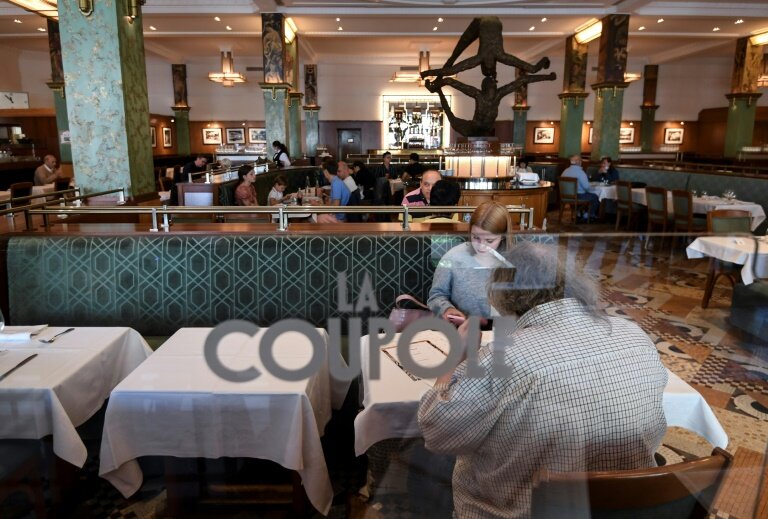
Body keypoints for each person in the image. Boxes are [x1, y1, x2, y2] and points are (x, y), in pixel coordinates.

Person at [418, 241, 668, 518]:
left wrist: (459, 357)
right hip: (628, 508)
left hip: (523, 511)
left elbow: (436, 431)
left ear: (505, 294)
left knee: (426, 466)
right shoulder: (635, 336)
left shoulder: (503, 357)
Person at [427, 201, 512, 322]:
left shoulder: (516, 261)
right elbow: (436, 295)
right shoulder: (453, 257)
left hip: (505, 332)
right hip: (463, 331)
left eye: (489, 240)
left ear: (503, 236)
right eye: (476, 237)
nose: (481, 246)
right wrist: (446, 309)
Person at [561, 154, 599, 221]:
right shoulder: (580, 172)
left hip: (566, 197)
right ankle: (587, 215)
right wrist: (595, 188)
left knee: (587, 195)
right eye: (581, 160)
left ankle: (578, 213)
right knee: (595, 197)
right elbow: (587, 187)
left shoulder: (565, 171)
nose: (581, 162)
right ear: (578, 162)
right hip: (579, 196)